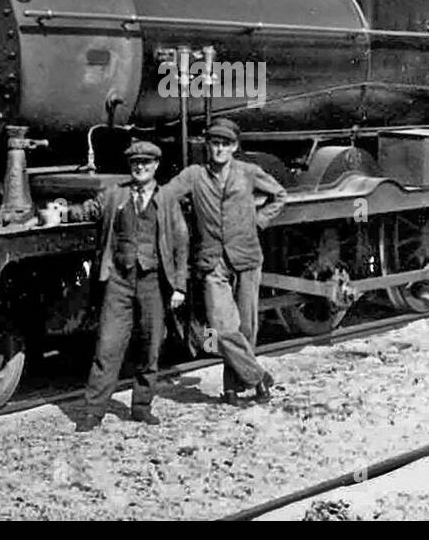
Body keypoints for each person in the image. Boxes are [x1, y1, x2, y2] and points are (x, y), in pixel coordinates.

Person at [65, 140, 189, 431]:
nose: (141, 167)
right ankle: (92, 413)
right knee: (107, 347)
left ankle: (141, 407)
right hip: (119, 280)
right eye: (136, 163)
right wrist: (63, 209)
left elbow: (181, 243)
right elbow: (89, 209)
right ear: (130, 166)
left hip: (153, 282)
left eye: (146, 163)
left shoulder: (168, 199)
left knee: (150, 347)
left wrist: (179, 287)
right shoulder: (114, 194)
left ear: (156, 166)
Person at [164, 117, 285, 406]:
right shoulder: (194, 175)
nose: (219, 149)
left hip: (246, 256)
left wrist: (259, 220)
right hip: (212, 261)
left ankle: (233, 389)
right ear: (208, 146)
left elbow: (280, 195)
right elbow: (166, 194)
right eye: (214, 143)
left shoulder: (249, 172)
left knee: (246, 328)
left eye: (225, 144)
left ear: (235, 147)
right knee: (221, 327)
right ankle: (259, 376)